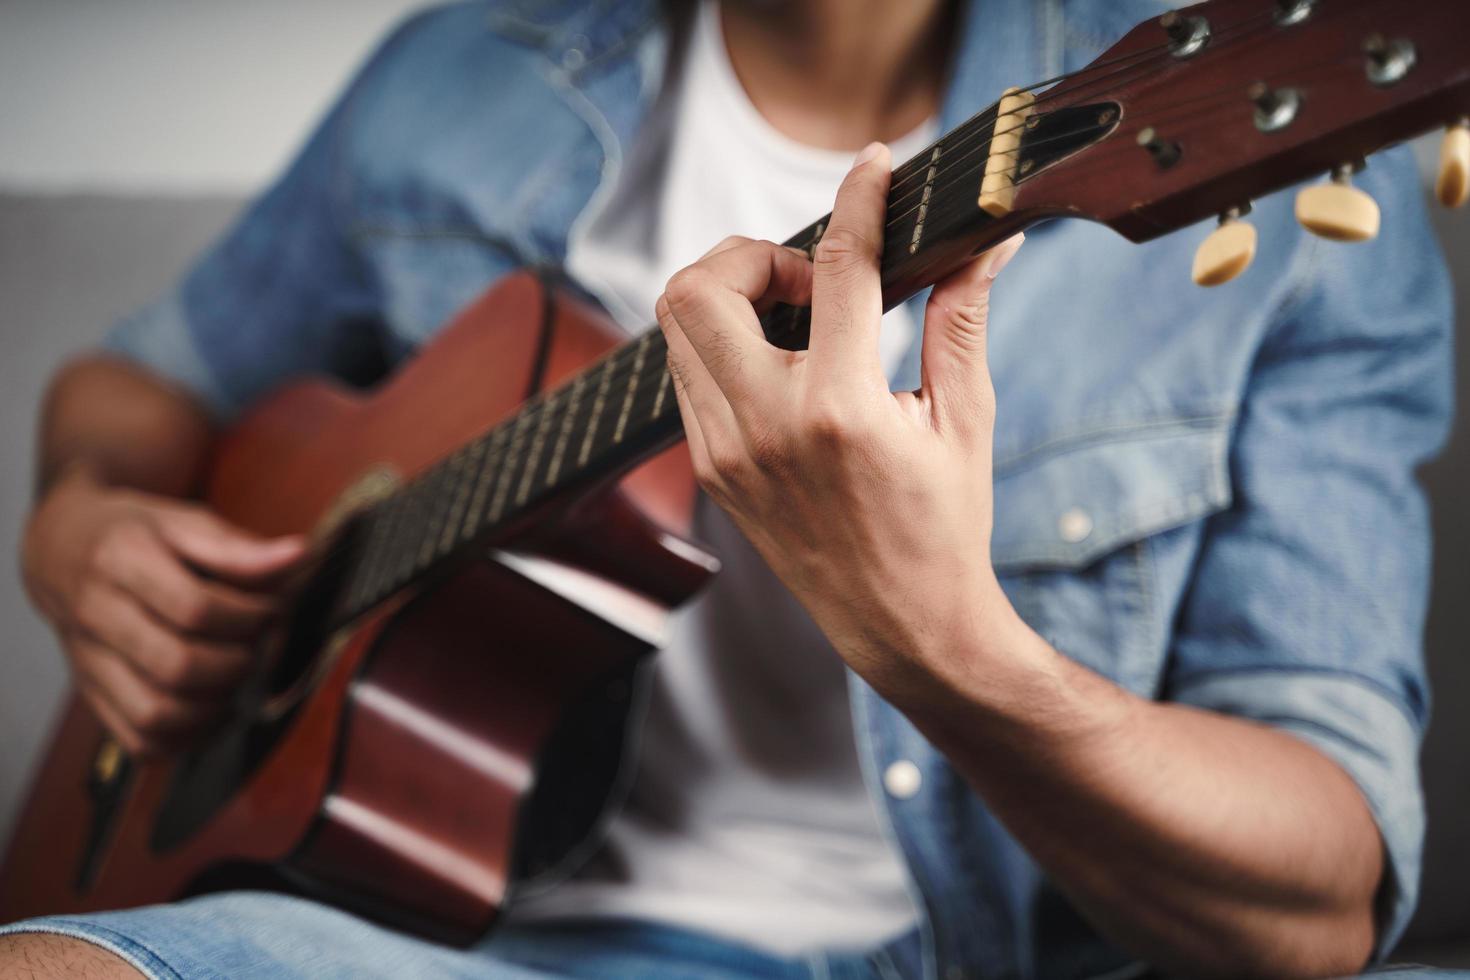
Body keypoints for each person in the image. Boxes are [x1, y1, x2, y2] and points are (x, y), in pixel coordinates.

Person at [0, 0, 1455, 977]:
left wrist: (943, 647)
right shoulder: (459, 75)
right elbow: (142, 385)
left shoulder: (1259, 169)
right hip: (445, 938)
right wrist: (76, 521)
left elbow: (1321, 894)